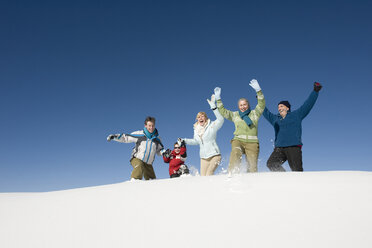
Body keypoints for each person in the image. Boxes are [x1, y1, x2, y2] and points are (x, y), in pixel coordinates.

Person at [263, 82, 323, 172]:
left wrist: (315, 91)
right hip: (279, 148)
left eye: (281, 106)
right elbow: (265, 112)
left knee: (297, 171)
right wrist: (260, 100)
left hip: (293, 147)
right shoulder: (275, 119)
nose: (279, 108)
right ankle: (285, 179)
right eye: (278, 107)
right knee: (271, 164)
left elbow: (308, 104)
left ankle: (299, 185)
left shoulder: (297, 115)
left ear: (287, 108)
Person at [215, 79, 265, 174]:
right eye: (241, 105)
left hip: (252, 142)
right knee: (236, 152)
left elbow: (261, 104)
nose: (243, 107)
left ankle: (252, 182)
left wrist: (258, 90)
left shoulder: (255, 113)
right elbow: (223, 112)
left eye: (245, 104)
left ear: (248, 105)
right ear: (239, 107)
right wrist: (218, 99)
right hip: (238, 140)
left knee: (252, 167)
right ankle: (232, 173)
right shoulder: (235, 115)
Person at [181, 94, 224, 176]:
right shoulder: (196, 130)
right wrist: (184, 140)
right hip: (203, 158)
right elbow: (196, 141)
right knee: (203, 178)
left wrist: (213, 106)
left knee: (209, 174)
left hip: (215, 155)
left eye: (202, 116)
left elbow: (221, 120)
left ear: (206, 118)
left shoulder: (212, 126)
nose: (200, 118)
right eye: (198, 117)